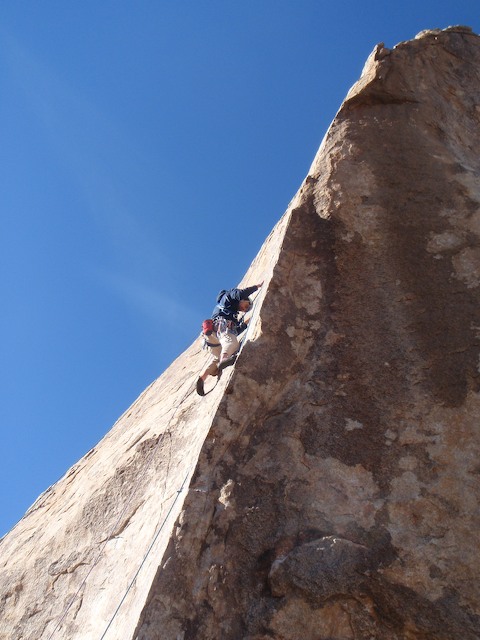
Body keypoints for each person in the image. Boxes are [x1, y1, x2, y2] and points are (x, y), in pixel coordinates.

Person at [196, 282, 263, 396]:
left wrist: (246, 323)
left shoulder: (228, 310)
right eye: (246, 306)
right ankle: (224, 361)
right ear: (243, 300)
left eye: (246, 310)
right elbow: (240, 294)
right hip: (220, 328)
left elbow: (235, 331)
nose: (244, 309)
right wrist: (256, 287)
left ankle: (203, 377)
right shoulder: (229, 297)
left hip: (212, 339)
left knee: (217, 357)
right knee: (232, 344)